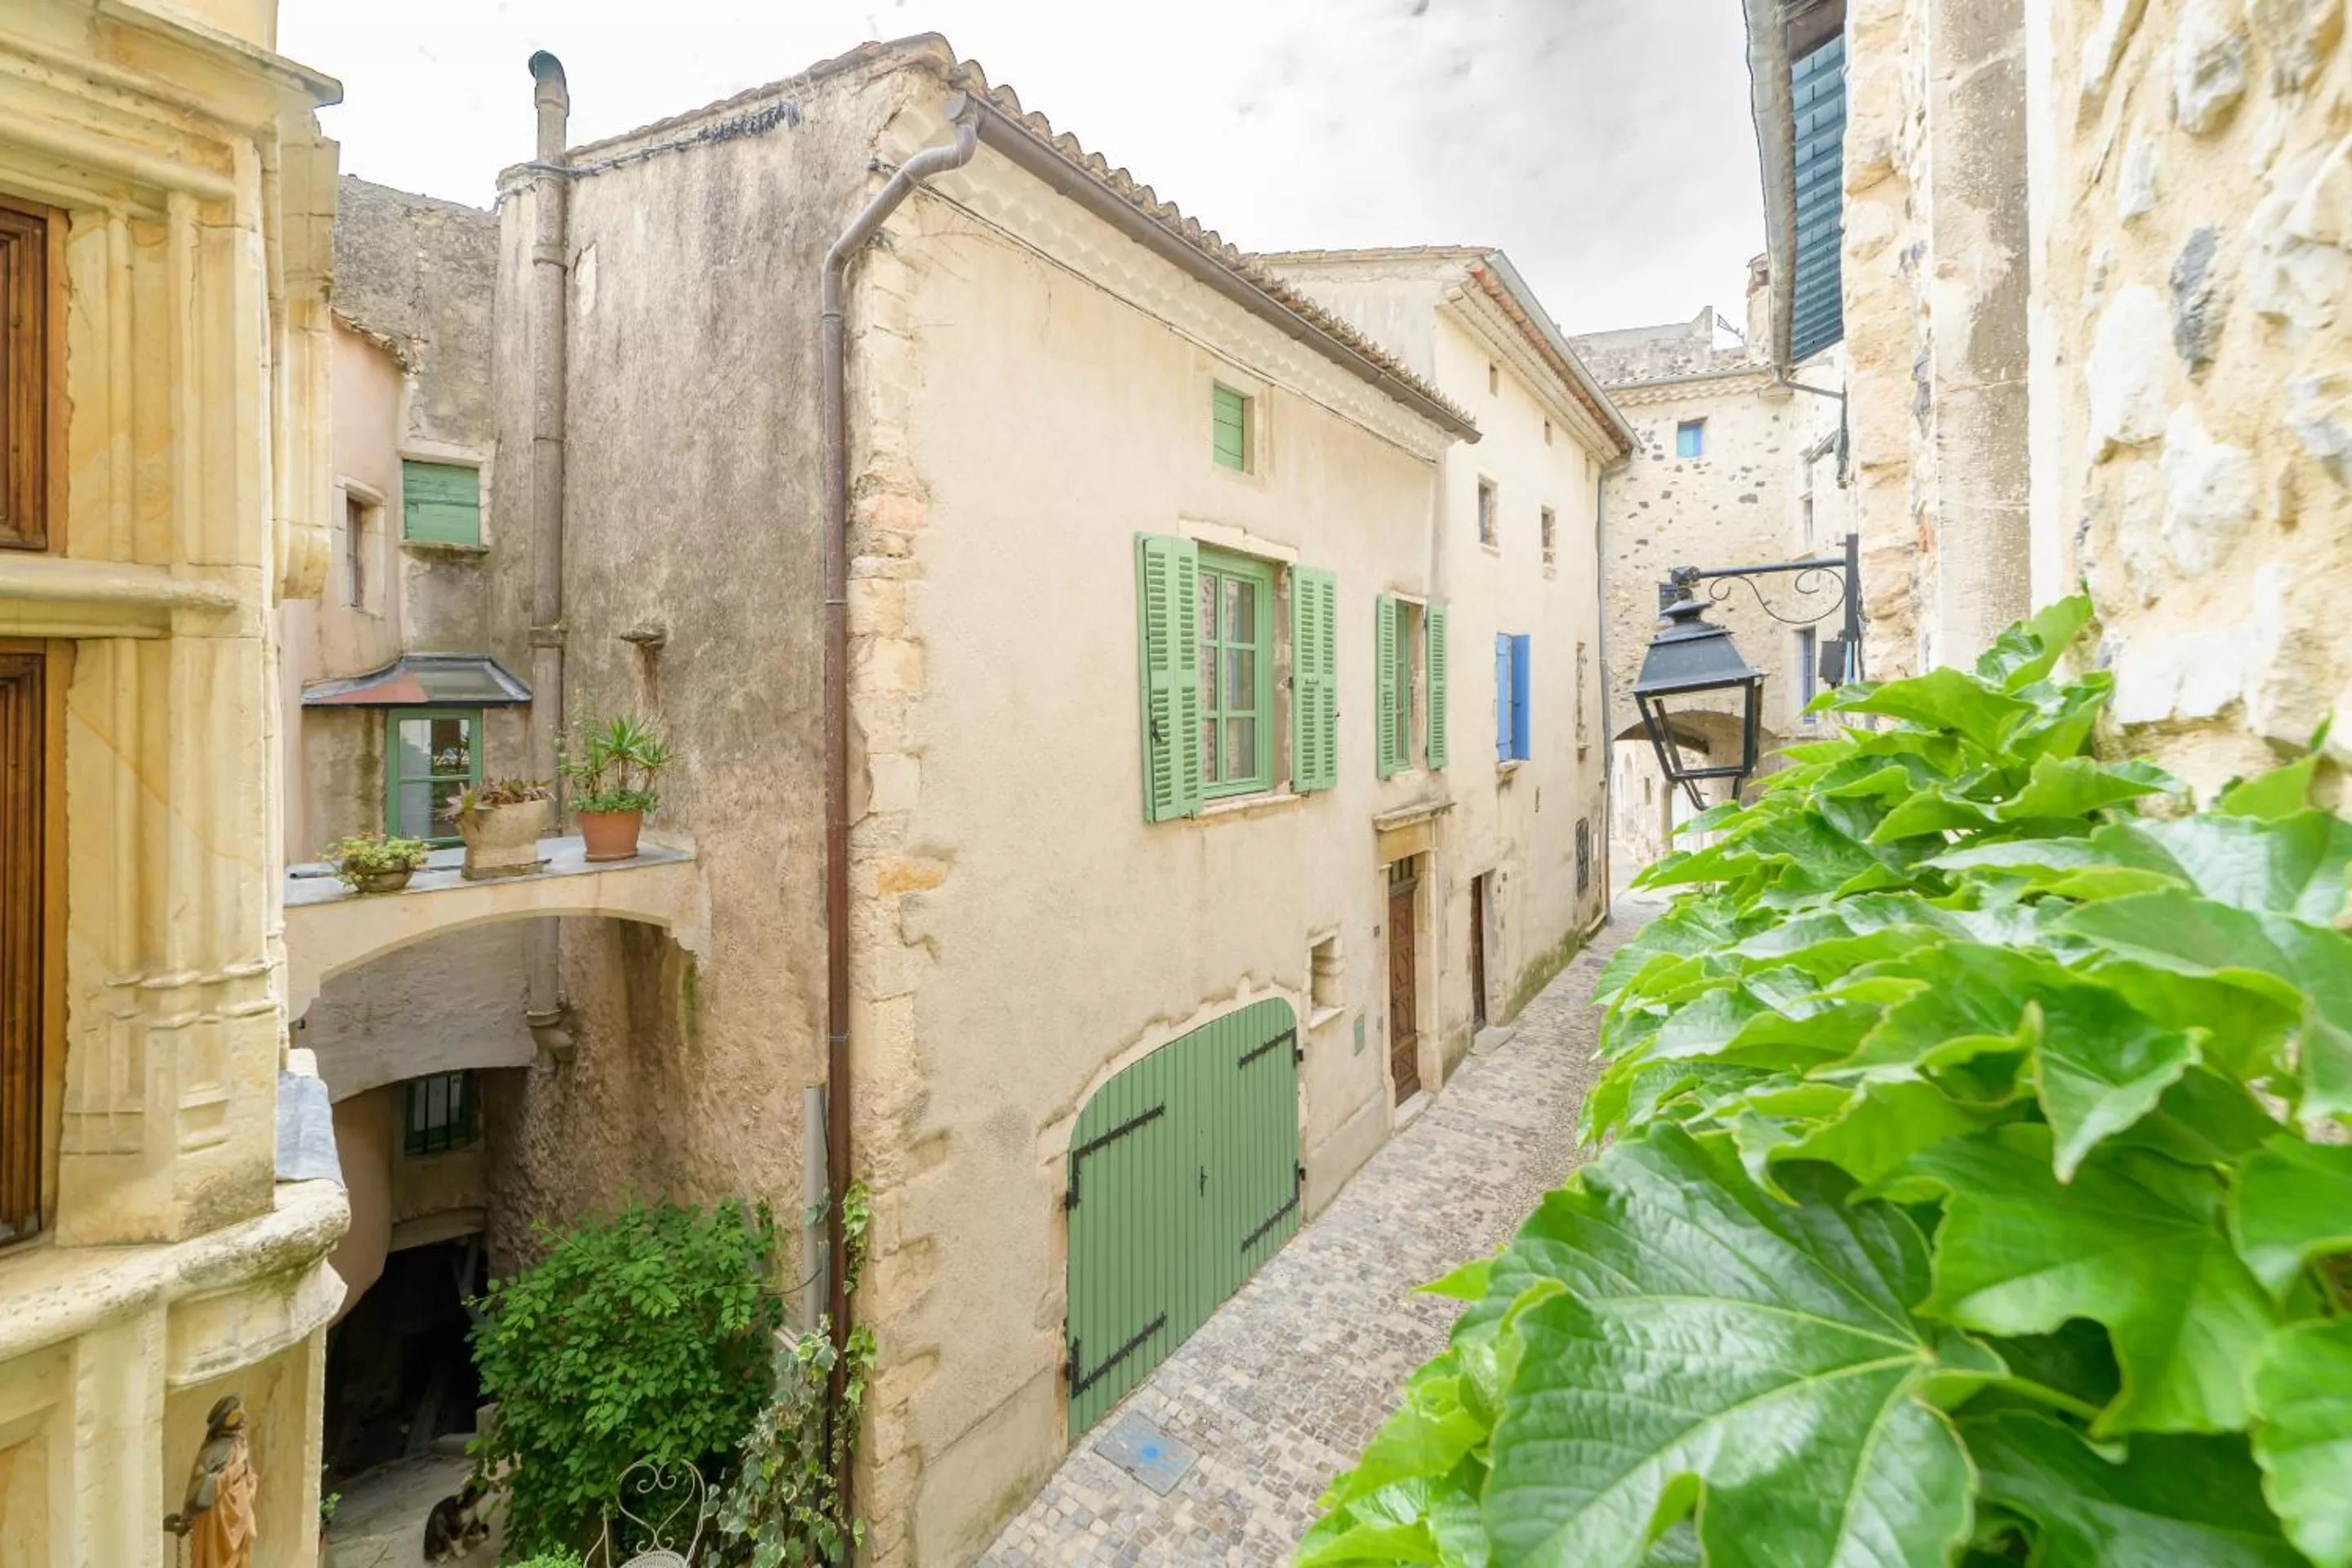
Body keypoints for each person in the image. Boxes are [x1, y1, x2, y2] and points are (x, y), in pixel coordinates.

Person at [165, 1395, 258, 1568]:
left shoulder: (241, 1444)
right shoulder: (213, 1451)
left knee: (250, 1537)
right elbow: (200, 1487)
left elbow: (249, 1476)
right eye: (239, 1415)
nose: (244, 1418)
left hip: (241, 1512)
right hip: (218, 1518)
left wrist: (250, 1485)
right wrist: (186, 1518)